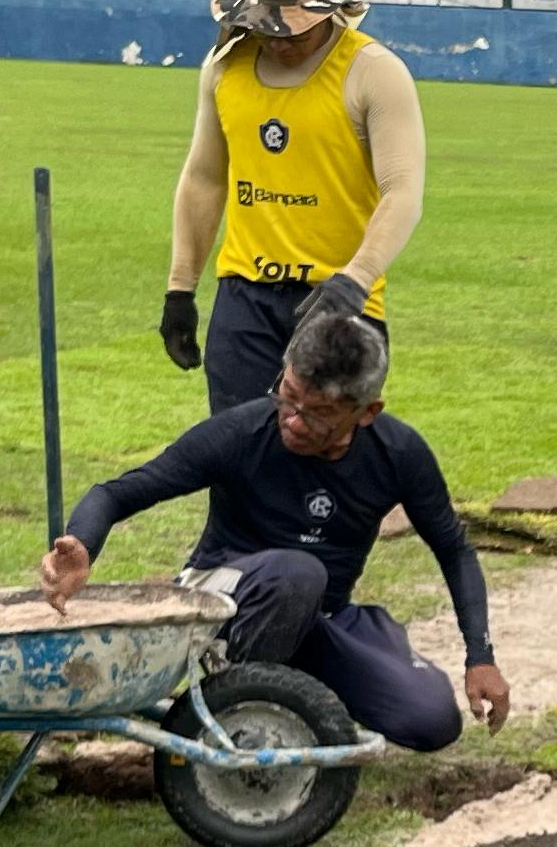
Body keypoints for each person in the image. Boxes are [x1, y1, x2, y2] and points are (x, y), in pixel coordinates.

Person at [40, 300, 508, 750]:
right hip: (221, 602)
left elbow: (454, 549)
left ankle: (301, 686)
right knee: (299, 574)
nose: (295, 422)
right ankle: (234, 704)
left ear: (367, 412)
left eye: (319, 412)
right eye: (288, 398)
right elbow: (115, 493)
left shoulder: (399, 454)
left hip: (321, 615)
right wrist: (83, 543)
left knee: (431, 720)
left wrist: (480, 656)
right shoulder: (242, 432)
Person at [161, 0, 429, 409]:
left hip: (341, 299)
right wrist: (180, 289)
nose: (281, 42)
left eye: (296, 30)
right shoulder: (224, 68)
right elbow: (204, 178)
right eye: (267, 29)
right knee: (239, 454)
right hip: (244, 298)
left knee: (328, 449)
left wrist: (355, 279)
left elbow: (402, 192)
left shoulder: (373, 72)